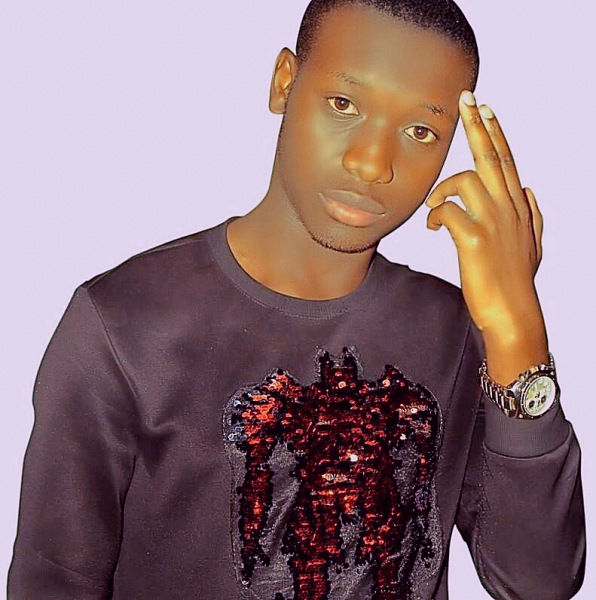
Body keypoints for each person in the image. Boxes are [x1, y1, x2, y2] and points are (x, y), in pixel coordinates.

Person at [8, 0, 586, 598]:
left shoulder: (456, 331)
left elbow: (539, 581)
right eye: (344, 104)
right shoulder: (122, 325)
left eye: (420, 131)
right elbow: (53, 583)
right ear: (285, 82)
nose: (372, 163)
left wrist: (518, 335)